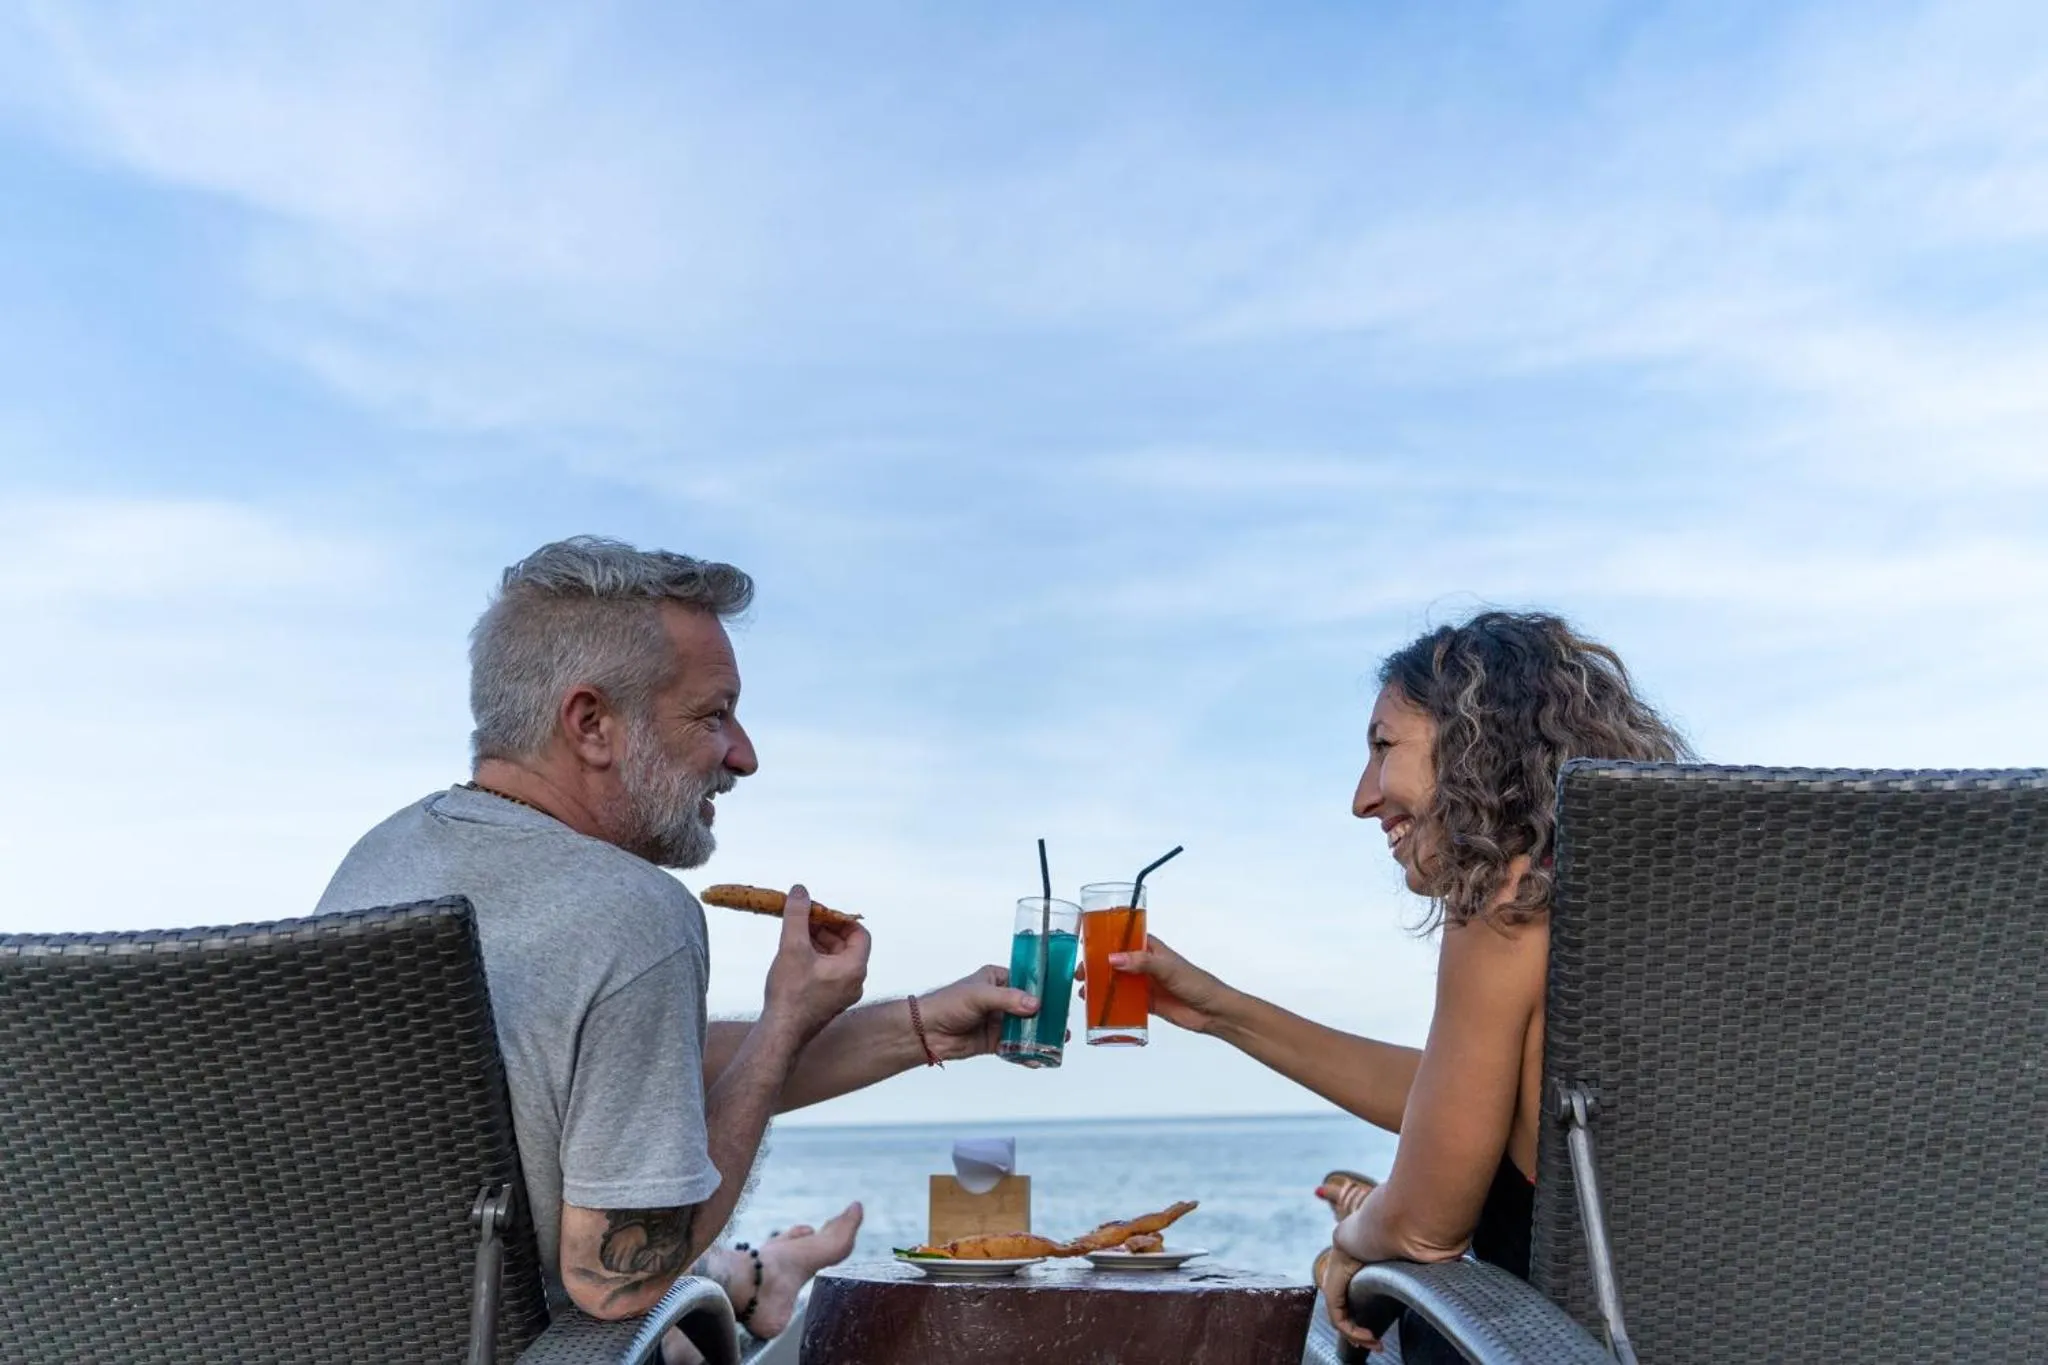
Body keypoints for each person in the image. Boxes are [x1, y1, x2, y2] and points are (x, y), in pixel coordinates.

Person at [316, 537, 1037, 1355]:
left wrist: (916, 1028)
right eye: (713, 713)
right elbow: (619, 1282)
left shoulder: (377, 864)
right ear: (592, 723)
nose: (744, 754)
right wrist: (777, 1025)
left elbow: (611, 1073)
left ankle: (763, 1277)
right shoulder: (631, 912)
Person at [1101, 611, 1688, 1360]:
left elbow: (1422, 1226)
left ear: (1478, 746)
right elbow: (1470, 1096)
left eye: (1384, 748)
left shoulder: (1507, 900)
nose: (1363, 796)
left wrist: (1351, 1237)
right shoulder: (1645, 907)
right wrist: (1225, 1011)